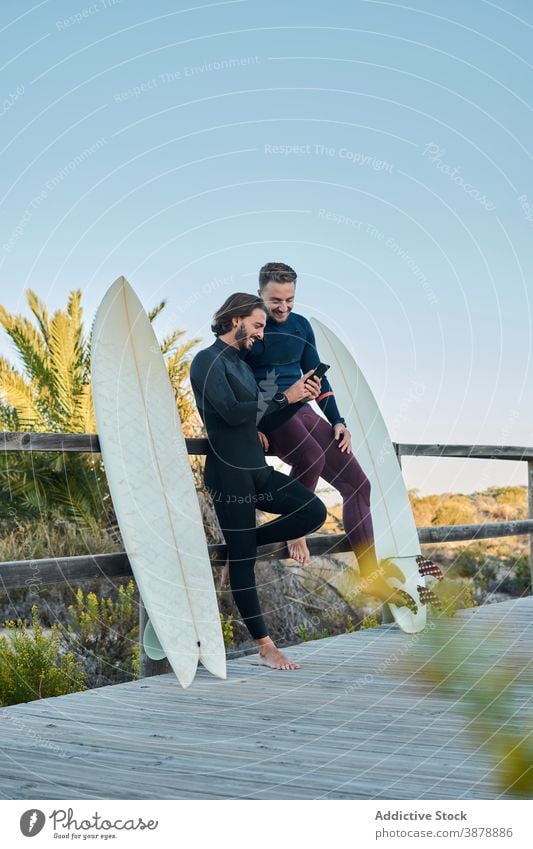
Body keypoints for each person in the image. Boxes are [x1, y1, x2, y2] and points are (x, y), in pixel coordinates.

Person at [244, 262, 417, 613]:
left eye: (289, 300)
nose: (283, 307)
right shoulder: (251, 326)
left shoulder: (301, 326)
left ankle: (371, 578)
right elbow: (237, 379)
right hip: (272, 414)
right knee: (312, 457)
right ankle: (296, 527)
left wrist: (338, 420)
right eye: (276, 300)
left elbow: (317, 379)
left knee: (359, 485)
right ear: (261, 292)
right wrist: (253, 426)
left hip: (305, 411)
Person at [190, 293, 328, 670]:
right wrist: (286, 397)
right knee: (244, 562)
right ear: (235, 320)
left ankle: (242, 544)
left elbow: (260, 419)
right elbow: (234, 414)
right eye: (257, 325)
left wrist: (301, 398)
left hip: (257, 469)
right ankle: (266, 646)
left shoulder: (243, 365)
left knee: (313, 510)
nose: (260, 335)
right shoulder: (206, 361)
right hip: (229, 471)